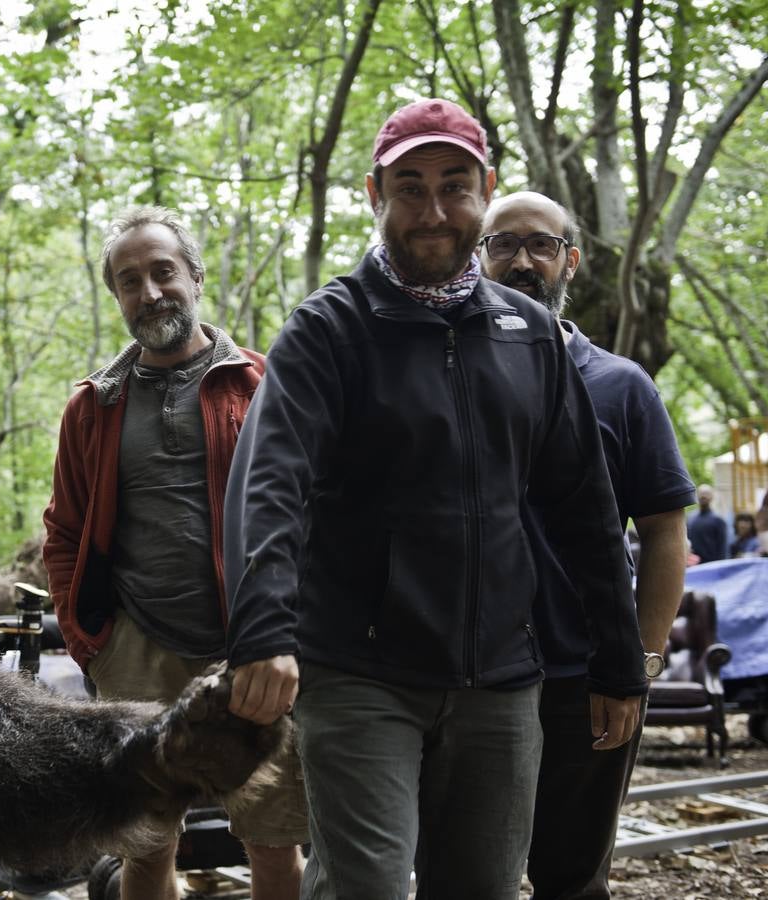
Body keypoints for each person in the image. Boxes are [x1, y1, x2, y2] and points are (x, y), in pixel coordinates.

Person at [222, 99, 646, 900]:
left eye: (454, 186)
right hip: (360, 667)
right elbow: (272, 484)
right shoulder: (329, 330)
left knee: (484, 886)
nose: (433, 211)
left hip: (501, 678)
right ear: (374, 193)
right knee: (370, 886)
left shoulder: (528, 334)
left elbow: (586, 505)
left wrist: (620, 659)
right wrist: (263, 632)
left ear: (485, 191)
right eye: (409, 187)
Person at [41, 206, 306, 900]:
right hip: (137, 649)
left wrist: (290, 631)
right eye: (130, 281)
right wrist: (90, 641)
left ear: (194, 275)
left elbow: (314, 512)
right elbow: (63, 532)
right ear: (117, 298)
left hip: (254, 649)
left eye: (163, 272)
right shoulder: (94, 405)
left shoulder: (264, 384)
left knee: (273, 841)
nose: (150, 291)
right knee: (145, 843)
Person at [480, 190, 695, 899]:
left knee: (571, 878)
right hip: (466, 672)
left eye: (540, 245)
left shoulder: (620, 386)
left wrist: (641, 656)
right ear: (478, 260)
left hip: (585, 676)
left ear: (570, 261)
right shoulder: (449, 380)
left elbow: (664, 532)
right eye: (503, 243)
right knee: (464, 870)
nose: (521, 260)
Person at [687, 484, 729, 563]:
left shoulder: (718, 520)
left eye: (706, 493)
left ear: (712, 496)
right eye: (701, 493)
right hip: (692, 566)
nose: (703, 496)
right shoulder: (690, 519)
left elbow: (723, 549)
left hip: (710, 565)